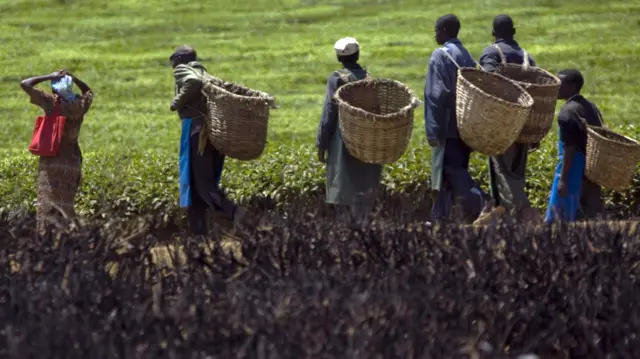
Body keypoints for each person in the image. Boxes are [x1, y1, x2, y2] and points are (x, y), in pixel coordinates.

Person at [169, 45, 246, 235]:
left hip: (197, 131)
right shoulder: (204, 71)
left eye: (172, 61)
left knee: (202, 183)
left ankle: (234, 212)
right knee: (196, 185)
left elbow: (193, 83)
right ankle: (198, 233)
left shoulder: (185, 70)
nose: (172, 66)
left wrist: (176, 102)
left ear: (179, 59)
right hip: (211, 131)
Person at [475, 14, 541, 225]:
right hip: (524, 124)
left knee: (502, 170)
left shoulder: (491, 53)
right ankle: (506, 215)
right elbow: (538, 92)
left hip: (501, 124)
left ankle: (522, 213)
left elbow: (488, 81)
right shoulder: (526, 57)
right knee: (517, 171)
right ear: (514, 32)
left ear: (493, 34)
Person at [424, 14, 490, 224]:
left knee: (451, 170)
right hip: (465, 125)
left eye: (436, 30)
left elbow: (436, 95)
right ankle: (439, 218)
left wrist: (433, 130)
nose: (435, 35)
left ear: (443, 31)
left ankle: (482, 201)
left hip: (447, 126)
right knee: (448, 176)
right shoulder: (466, 55)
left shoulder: (439, 55)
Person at [316, 37, 382, 227]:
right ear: (358, 54)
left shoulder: (337, 79)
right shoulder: (370, 79)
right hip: (367, 142)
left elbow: (329, 113)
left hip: (343, 143)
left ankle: (347, 236)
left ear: (339, 58)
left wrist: (321, 144)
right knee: (363, 190)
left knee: (344, 191)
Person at [20, 70, 94, 233]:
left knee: (48, 201)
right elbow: (89, 92)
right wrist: (74, 78)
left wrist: (49, 76)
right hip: (72, 159)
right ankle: (70, 236)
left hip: (53, 158)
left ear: (55, 90)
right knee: (66, 202)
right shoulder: (79, 105)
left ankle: (48, 240)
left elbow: (25, 84)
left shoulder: (52, 103)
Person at [545, 69, 605, 223]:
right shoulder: (590, 107)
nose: (556, 86)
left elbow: (569, 148)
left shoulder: (567, 113)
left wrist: (563, 179)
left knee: (558, 218)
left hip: (572, 168)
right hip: (591, 167)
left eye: (561, 83)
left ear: (572, 86)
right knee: (589, 219)